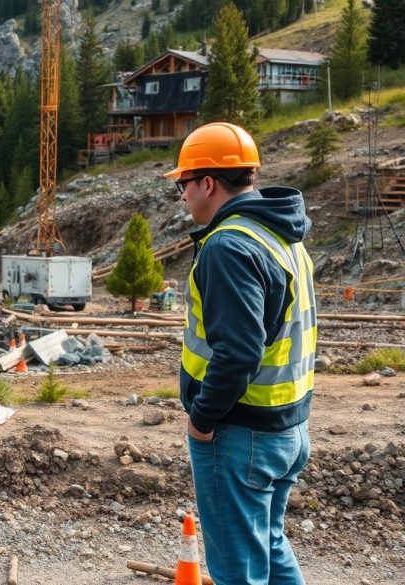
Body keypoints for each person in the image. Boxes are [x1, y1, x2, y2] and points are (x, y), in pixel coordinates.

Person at [166, 122, 316, 585]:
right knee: (269, 548)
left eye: (183, 184)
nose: (183, 195)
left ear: (207, 183)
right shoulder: (281, 236)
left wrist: (202, 419)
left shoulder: (229, 245)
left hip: (240, 431)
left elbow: (239, 352)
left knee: (237, 570)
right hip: (287, 426)